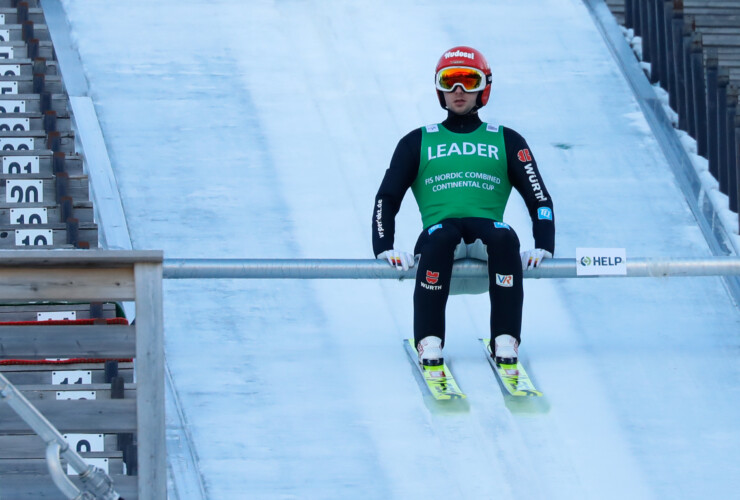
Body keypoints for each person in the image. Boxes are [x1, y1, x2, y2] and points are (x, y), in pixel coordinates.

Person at [372, 46, 555, 366]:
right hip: (439, 241)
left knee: (504, 236)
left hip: (489, 241)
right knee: (442, 235)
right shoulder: (416, 141)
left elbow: (538, 196)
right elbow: (386, 198)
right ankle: (429, 340)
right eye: (450, 81)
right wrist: (383, 247)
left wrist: (545, 245)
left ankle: (505, 339)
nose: (459, 91)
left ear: (484, 87)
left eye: (468, 81)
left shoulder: (507, 140)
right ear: (439, 88)